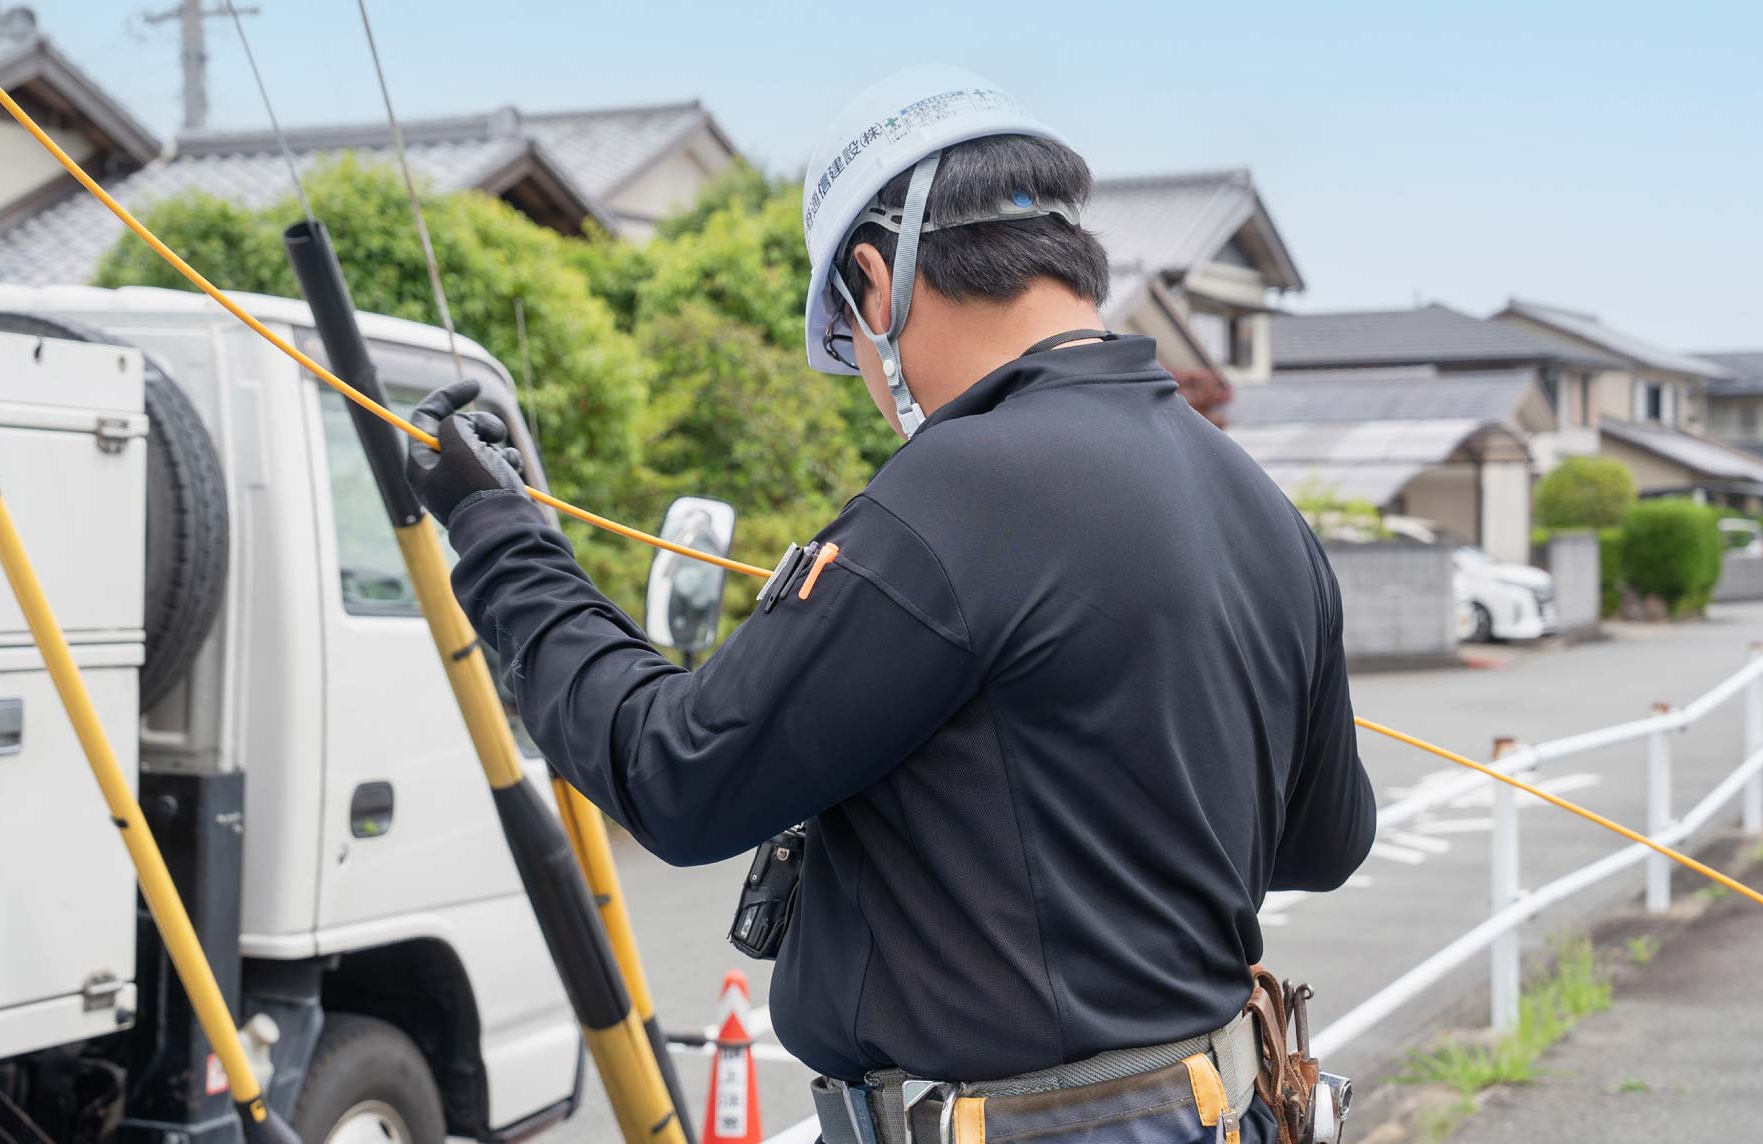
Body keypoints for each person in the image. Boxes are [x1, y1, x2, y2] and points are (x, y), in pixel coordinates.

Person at [406, 65, 1374, 1144]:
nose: (870, 380)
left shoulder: (960, 492)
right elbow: (1326, 838)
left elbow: (678, 772)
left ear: (875, 281)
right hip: (1210, 1108)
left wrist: (500, 536)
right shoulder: (1251, 502)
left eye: (849, 341)